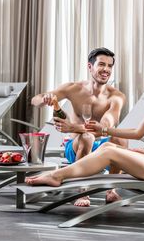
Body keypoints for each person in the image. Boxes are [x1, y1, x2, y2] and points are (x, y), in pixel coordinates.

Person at [26, 53, 144, 196]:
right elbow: (138, 132)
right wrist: (105, 129)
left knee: (109, 151)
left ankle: (57, 176)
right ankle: (61, 176)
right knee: (108, 144)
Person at [31, 47, 126, 206]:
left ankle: (112, 191)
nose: (106, 70)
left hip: (103, 147)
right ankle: (82, 191)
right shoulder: (74, 89)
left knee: (120, 138)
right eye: (102, 64)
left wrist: (73, 127)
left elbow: (105, 127)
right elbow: (35, 99)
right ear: (90, 67)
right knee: (87, 137)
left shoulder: (117, 97)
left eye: (110, 66)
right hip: (76, 147)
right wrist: (44, 99)